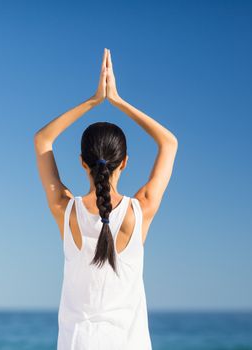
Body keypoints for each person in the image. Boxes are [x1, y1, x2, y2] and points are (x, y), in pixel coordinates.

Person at [33, 48, 178, 350]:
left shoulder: (65, 209)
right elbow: (169, 142)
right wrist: (118, 101)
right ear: (124, 162)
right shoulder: (141, 210)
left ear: (82, 163)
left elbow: (42, 140)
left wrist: (93, 100)